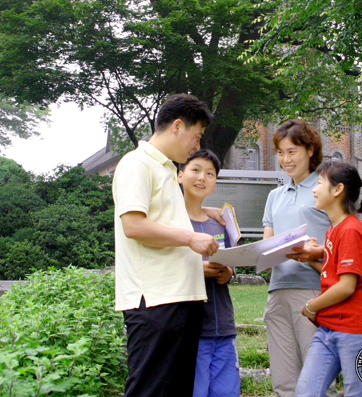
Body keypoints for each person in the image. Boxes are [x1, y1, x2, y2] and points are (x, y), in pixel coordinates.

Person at [112, 94, 220, 397]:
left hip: (182, 297)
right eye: (196, 136)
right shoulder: (137, 163)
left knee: (175, 390)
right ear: (176, 126)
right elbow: (133, 225)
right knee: (150, 389)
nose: (196, 147)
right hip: (155, 300)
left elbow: (166, 220)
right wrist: (191, 237)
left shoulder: (168, 170)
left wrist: (202, 213)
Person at [295, 161, 362, 397]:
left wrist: (310, 306)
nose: (314, 189)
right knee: (306, 391)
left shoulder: (351, 231)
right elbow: (334, 273)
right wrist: (306, 259)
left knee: (358, 393)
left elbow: (346, 286)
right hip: (329, 327)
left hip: (357, 329)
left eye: (319, 183)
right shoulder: (335, 229)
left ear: (337, 190)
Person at [261, 119, 334, 397]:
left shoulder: (328, 188)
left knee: (317, 382)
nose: (285, 159)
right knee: (284, 382)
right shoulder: (274, 196)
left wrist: (315, 253)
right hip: (277, 291)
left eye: (292, 151)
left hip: (314, 291)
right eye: (280, 152)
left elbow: (346, 242)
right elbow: (268, 245)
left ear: (311, 149)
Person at [178, 149, 240, 397]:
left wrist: (229, 273)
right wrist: (195, 270)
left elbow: (232, 262)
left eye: (210, 173)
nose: (202, 177)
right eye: (195, 170)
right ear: (180, 176)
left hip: (223, 326)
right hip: (191, 330)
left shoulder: (220, 223)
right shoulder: (172, 223)